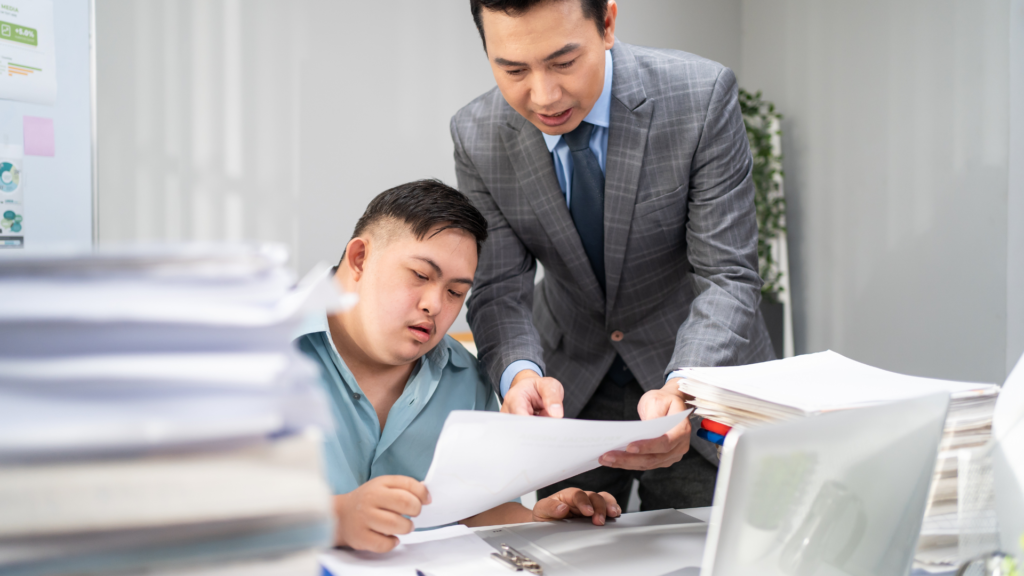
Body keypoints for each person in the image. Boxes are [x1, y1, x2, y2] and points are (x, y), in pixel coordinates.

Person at [451, 0, 774, 510]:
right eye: (513, 70)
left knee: (710, 547)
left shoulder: (699, 97)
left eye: (563, 62)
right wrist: (519, 374)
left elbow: (728, 276)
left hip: (693, 371)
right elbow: (498, 287)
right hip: (569, 384)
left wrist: (683, 384)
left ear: (607, 24)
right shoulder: (476, 134)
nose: (544, 95)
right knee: (570, 546)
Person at [294, 179, 620, 553]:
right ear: (360, 259)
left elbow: (469, 511)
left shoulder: (468, 380)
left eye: (455, 292)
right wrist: (334, 518)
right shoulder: (252, 354)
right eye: (420, 275)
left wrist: (542, 524)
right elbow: (216, 505)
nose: (434, 304)